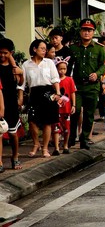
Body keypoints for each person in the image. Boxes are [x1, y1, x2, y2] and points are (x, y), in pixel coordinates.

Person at [68, 18, 105, 150]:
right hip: (77, 86)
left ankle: (84, 139)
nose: (87, 33)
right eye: (84, 30)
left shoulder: (99, 49)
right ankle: (72, 136)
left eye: (89, 30)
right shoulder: (73, 48)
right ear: (80, 32)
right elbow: (68, 67)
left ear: (93, 32)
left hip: (92, 86)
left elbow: (103, 66)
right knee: (75, 110)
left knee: (89, 114)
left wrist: (97, 74)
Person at [22, 39, 62, 158]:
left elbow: (55, 79)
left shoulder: (49, 62)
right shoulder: (26, 64)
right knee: (32, 120)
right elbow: (22, 84)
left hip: (48, 93)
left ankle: (45, 148)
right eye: (42, 49)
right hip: (34, 93)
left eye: (45, 49)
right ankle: (36, 144)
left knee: (47, 122)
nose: (44, 51)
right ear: (35, 49)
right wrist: (20, 96)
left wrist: (58, 93)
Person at [0, 38, 24, 171]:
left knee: (13, 134)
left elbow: (21, 84)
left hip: (11, 103)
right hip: (0, 103)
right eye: (0, 53)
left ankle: (15, 156)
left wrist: (20, 98)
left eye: (5, 53)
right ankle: (0, 162)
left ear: (11, 53)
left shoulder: (14, 68)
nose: (2, 55)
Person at [53, 57, 76, 154]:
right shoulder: (54, 81)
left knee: (67, 128)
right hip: (56, 109)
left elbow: (72, 93)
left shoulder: (70, 79)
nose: (62, 71)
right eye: (60, 69)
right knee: (56, 128)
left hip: (66, 108)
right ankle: (56, 148)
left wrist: (74, 105)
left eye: (64, 69)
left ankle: (65, 145)